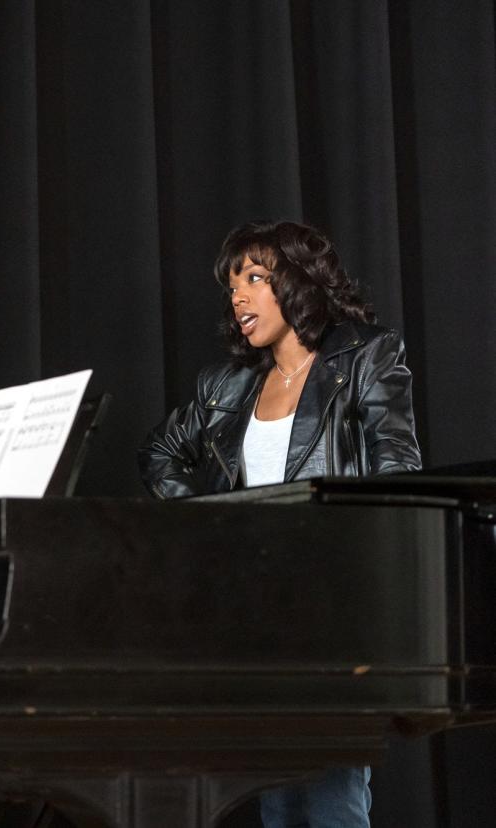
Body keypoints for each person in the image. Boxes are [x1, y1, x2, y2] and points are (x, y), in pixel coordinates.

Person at [138, 220, 421, 828]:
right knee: (277, 800)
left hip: (337, 606)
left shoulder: (364, 356)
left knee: (333, 801)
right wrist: (211, 524)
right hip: (254, 613)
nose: (238, 296)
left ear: (297, 282)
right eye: (232, 286)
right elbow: (158, 452)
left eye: (255, 279)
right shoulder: (228, 386)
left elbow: (398, 468)